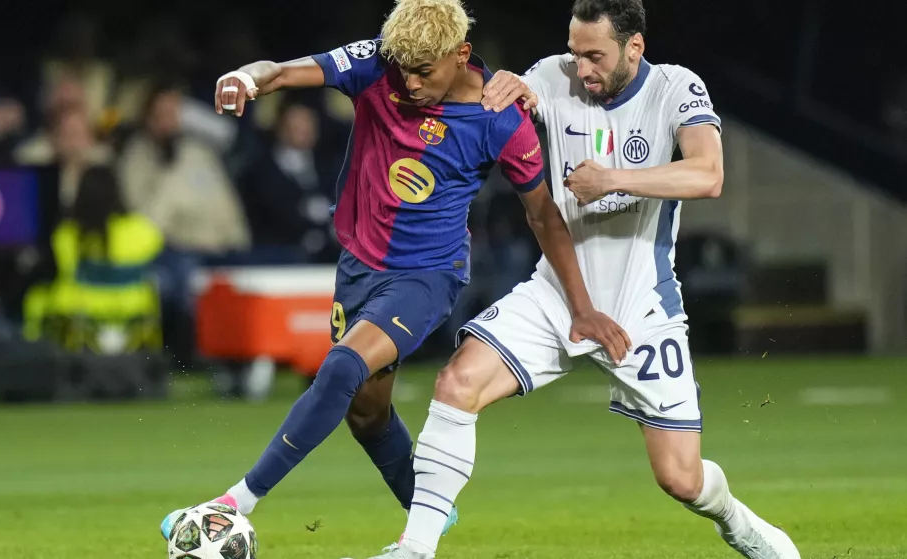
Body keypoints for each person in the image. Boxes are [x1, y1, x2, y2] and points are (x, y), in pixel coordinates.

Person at [160, 0, 628, 544]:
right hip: (357, 267)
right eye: (403, 69)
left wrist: (582, 308)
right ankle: (426, 509)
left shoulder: (500, 116)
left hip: (426, 276)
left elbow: (543, 215)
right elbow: (282, 72)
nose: (410, 83)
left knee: (340, 368)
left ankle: (232, 504)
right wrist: (246, 76)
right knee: (366, 415)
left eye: (424, 71)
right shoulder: (377, 64)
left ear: (461, 54)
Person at [370, 1, 802, 558]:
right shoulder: (554, 76)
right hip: (557, 295)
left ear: (634, 47)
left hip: (642, 310)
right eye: (575, 53)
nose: (583, 68)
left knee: (681, 479)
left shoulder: (675, 88)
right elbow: (504, 100)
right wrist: (494, 85)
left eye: (595, 56)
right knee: (457, 383)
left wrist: (614, 179)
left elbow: (708, 174)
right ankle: (415, 548)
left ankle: (737, 522)